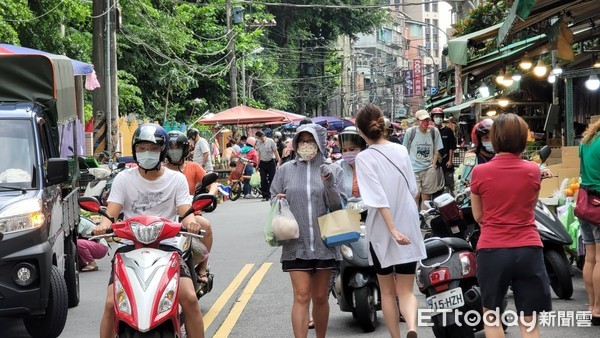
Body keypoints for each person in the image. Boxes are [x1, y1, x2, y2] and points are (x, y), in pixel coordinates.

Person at [94, 124, 205, 338]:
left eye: (153, 148)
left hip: (168, 248)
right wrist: (103, 224)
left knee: (190, 299)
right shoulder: (124, 179)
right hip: (129, 247)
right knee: (110, 303)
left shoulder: (176, 179)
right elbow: (111, 213)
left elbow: (185, 211)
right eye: (142, 148)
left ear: (162, 151)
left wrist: (191, 222)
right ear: (135, 151)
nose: (147, 153)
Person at [470, 113, 551, 338]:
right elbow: (530, 208)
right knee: (529, 322)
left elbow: (479, 216)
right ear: (523, 140)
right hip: (528, 247)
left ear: (494, 139)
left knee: (492, 317)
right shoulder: (533, 170)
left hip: (492, 248)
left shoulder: (480, 171)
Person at [354, 104, 425, 338]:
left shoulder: (364, 158)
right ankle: (412, 327)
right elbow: (413, 189)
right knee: (406, 290)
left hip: (383, 231)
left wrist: (392, 229)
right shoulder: (401, 151)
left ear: (360, 131)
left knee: (387, 291)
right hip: (409, 223)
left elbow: (377, 198)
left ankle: (396, 336)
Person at [270, 123, 347, 338]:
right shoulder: (285, 170)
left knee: (320, 297)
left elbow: (337, 206)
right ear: (295, 144)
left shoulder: (333, 169)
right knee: (301, 296)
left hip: (326, 242)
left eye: (310, 141)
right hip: (296, 243)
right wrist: (278, 202)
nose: (306, 145)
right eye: (302, 141)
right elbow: (273, 196)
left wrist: (329, 183)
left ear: (320, 143)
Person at [165, 130, 214, 284]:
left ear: (185, 149)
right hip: (166, 214)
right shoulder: (159, 170)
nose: (174, 151)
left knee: (206, 226)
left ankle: (202, 267)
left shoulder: (193, 167)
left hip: (190, 212)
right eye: (171, 147)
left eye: (178, 147)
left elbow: (212, 185)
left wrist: (210, 196)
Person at [578, 118, 600, 326]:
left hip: (585, 203)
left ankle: (592, 305)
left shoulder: (587, 141)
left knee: (590, 257)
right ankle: (599, 309)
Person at [403, 109, 443, 209]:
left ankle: (423, 219)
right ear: (417, 120)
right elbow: (405, 151)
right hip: (413, 169)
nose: (425, 123)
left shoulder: (434, 131)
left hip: (429, 169)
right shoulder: (410, 132)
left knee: (426, 196)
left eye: (427, 120)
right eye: (422, 120)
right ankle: (415, 218)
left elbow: (436, 150)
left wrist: (433, 166)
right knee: (415, 195)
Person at [455, 119, 494, 193]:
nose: (491, 141)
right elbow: (463, 185)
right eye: (486, 137)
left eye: (493, 137)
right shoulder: (470, 159)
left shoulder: (500, 157)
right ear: (478, 140)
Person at [431, 107, 457, 195]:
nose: (438, 118)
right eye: (436, 116)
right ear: (433, 118)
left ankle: (452, 198)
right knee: (434, 184)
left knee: (449, 183)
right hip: (434, 162)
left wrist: (450, 160)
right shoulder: (431, 131)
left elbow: (451, 147)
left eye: (440, 116)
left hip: (446, 161)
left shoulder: (448, 131)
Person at [337, 126, 367, 197]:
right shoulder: (338, 167)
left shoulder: (369, 166)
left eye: (352, 149)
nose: (348, 153)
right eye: (344, 150)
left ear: (361, 148)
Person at [255, 130, 281, 201]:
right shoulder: (258, 143)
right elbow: (259, 154)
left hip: (271, 162)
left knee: (272, 179)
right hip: (262, 163)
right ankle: (265, 195)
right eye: (258, 138)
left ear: (263, 136)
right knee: (263, 179)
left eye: (260, 138)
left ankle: (272, 194)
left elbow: (275, 151)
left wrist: (279, 161)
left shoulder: (271, 141)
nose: (260, 140)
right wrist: (257, 165)